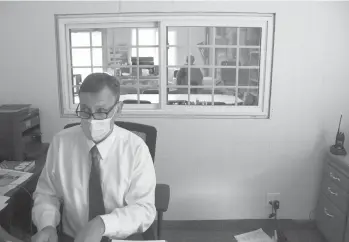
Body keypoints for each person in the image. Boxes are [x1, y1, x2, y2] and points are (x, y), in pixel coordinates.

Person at [31, 73, 156, 242]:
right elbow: (47, 193)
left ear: (118, 109)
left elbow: (144, 208)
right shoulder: (61, 142)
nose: (91, 120)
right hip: (72, 237)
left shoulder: (136, 148)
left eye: (101, 111)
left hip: (120, 238)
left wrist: (102, 224)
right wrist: (47, 225)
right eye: (85, 110)